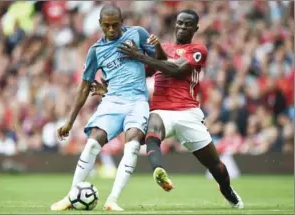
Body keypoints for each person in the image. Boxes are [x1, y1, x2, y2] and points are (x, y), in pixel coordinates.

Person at [95, 9, 244, 209]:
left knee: (215, 166)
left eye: (187, 24)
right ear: (175, 24)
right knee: (152, 127)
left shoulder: (197, 49)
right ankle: (159, 170)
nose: (182, 27)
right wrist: (112, 88)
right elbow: (137, 74)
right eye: (180, 23)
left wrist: (140, 56)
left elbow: (176, 70)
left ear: (195, 28)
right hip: (161, 110)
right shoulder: (161, 47)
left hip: (187, 112)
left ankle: (227, 190)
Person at [50, 4, 157, 212]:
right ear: (99, 24)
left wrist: (141, 56)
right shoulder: (96, 51)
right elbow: (83, 87)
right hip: (112, 101)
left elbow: (159, 62)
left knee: (133, 144)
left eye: (115, 25)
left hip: (138, 102)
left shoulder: (138, 34)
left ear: (122, 21)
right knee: (91, 144)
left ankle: (112, 200)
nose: (111, 30)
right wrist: (69, 122)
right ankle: (71, 197)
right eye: (106, 26)